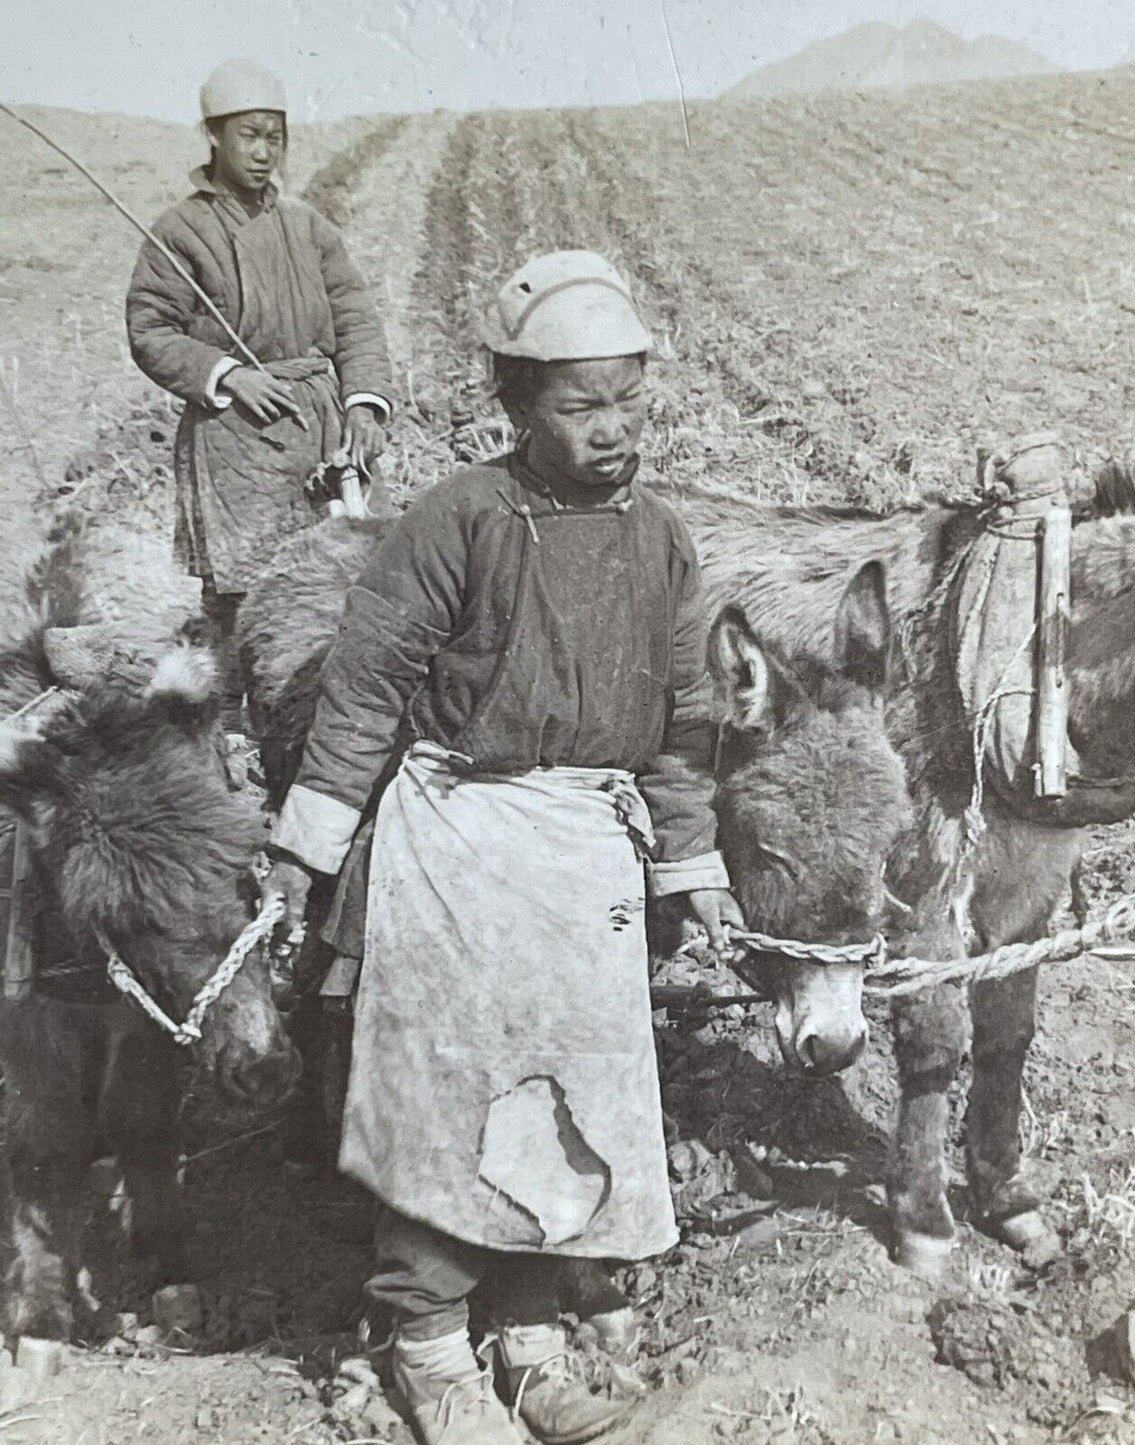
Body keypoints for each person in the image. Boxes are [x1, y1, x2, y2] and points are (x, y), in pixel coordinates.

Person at [261, 250, 744, 1445]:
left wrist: (692, 863)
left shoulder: (662, 541)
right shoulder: (460, 519)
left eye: (629, 401)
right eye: (581, 408)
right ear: (516, 404)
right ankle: (426, 1348)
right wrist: (308, 844)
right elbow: (365, 684)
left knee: (565, 1100)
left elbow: (686, 724)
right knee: (446, 1096)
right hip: (458, 838)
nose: (613, 430)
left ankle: (526, 1334)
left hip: (586, 850)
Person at [125, 58, 397, 727]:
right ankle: (228, 725)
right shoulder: (180, 232)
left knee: (344, 570)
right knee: (241, 588)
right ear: (214, 136)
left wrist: (363, 402)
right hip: (234, 437)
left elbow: (356, 314)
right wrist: (228, 374)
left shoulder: (307, 227)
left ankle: (327, 712)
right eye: (249, 135)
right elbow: (150, 328)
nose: (263, 151)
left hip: (318, 427)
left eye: (275, 136)